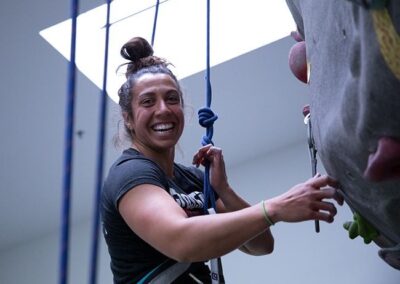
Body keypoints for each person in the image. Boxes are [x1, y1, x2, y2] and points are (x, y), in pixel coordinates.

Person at [101, 36, 344, 284]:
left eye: (172, 98)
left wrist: (224, 189)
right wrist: (276, 207)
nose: (163, 109)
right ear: (128, 118)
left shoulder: (191, 178)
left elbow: (260, 244)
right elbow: (181, 240)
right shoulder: (130, 173)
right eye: (148, 101)